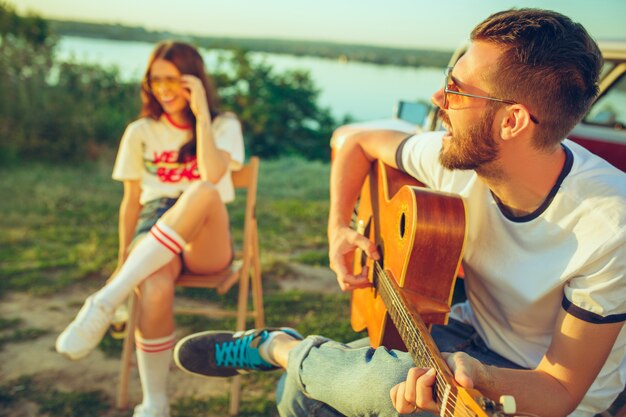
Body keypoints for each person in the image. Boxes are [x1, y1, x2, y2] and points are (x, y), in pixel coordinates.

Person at [171, 8, 626, 417]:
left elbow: (559, 390)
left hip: (540, 391)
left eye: (456, 89)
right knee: (301, 397)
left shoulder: (608, 226)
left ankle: (280, 348)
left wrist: (482, 378)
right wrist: (337, 230)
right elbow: (356, 141)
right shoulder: (459, 158)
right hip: (467, 335)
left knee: (369, 384)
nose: (437, 98)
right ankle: (294, 357)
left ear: (512, 122)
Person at [55, 41, 244, 417]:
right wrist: (124, 257)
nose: (163, 88)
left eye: (173, 79)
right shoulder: (140, 131)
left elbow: (214, 175)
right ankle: (155, 402)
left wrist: (202, 114)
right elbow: (130, 203)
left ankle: (107, 299)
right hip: (155, 220)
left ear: (195, 81)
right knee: (154, 285)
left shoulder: (224, 125)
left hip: (206, 232)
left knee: (203, 189)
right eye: (156, 80)